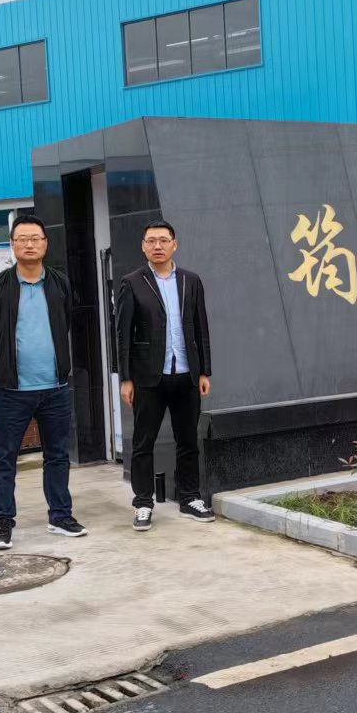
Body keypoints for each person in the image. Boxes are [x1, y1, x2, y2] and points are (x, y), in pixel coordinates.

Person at [0, 215, 85, 551]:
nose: (29, 244)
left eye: (35, 238)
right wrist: (6, 357)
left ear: (45, 244)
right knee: (3, 457)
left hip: (54, 387)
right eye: (22, 238)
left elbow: (67, 320)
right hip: (13, 390)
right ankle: (2, 521)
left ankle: (60, 516)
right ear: (12, 245)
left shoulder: (59, 283)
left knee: (57, 455)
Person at [114, 220, 215, 531]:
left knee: (188, 441)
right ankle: (143, 503)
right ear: (143, 246)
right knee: (143, 442)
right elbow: (123, 334)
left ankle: (190, 498)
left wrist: (204, 371)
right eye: (151, 241)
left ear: (174, 244)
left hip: (186, 374)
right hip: (148, 378)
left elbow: (201, 327)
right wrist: (126, 378)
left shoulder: (190, 281)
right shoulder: (133, 282)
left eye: (163, 240)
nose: (157, 246)